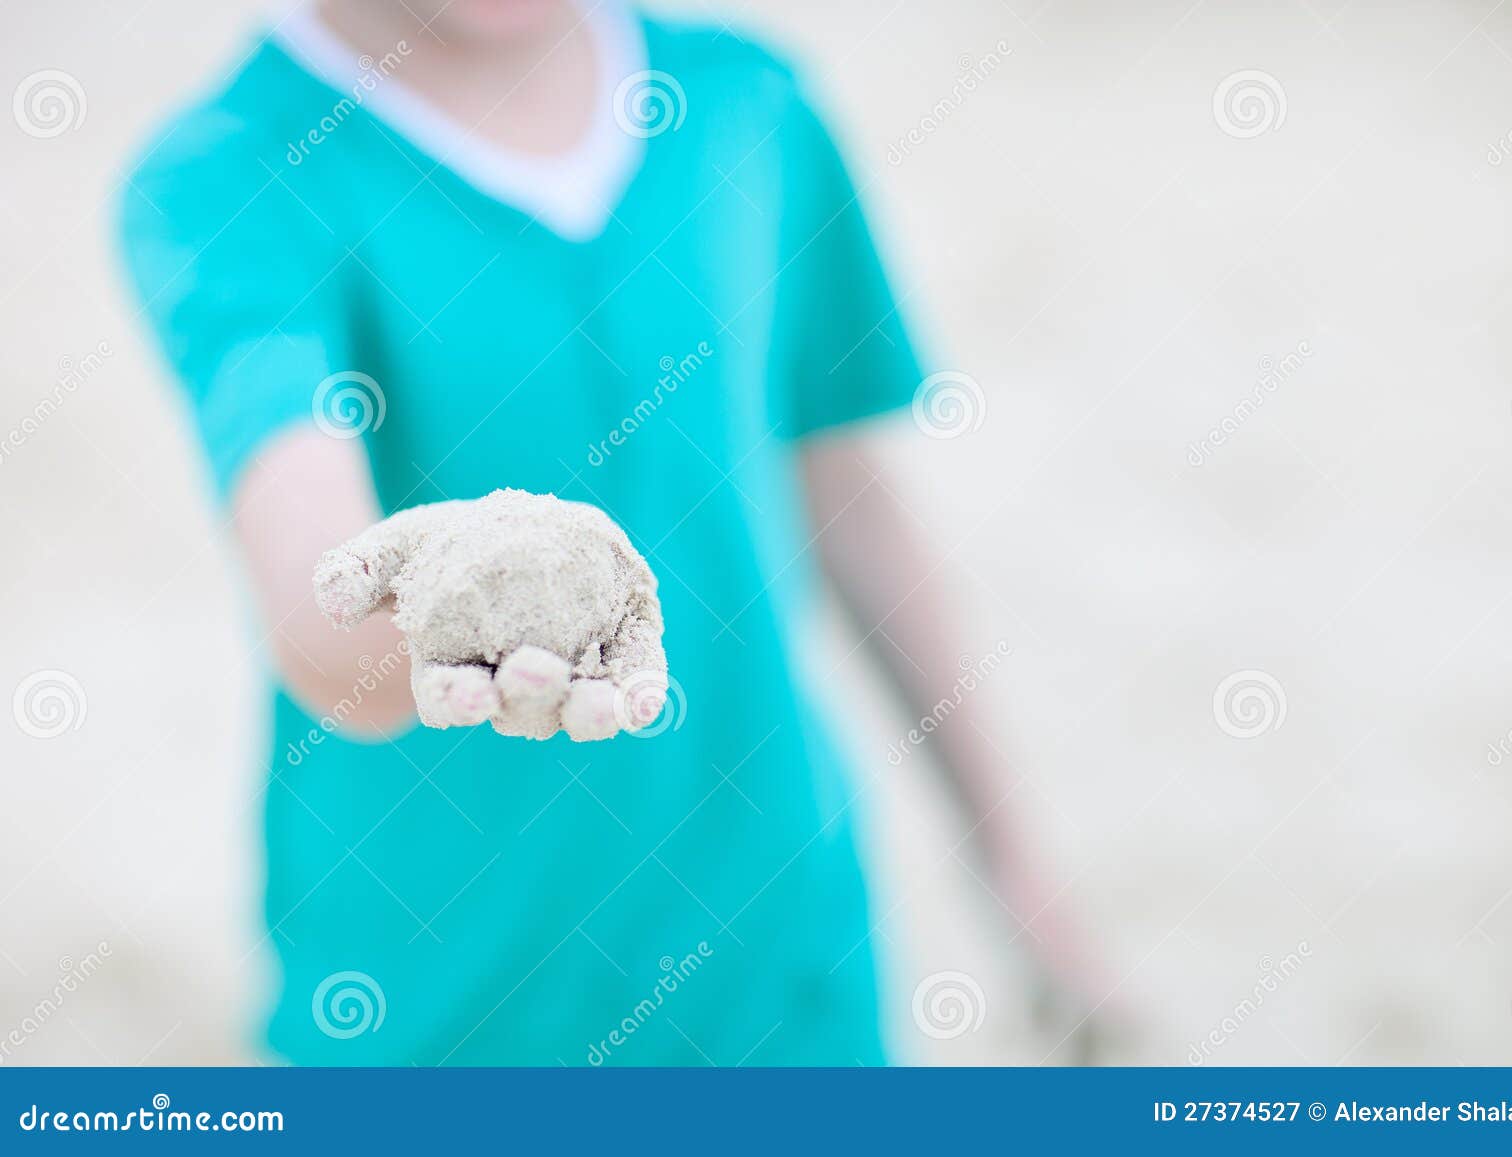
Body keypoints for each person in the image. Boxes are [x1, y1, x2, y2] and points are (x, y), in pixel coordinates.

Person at [120, 0, 1073, 1064]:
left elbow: (841, 489)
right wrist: (436, 617)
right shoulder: (236, 174)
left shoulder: (742, 101)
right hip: (436, 1008)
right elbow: (316, 599)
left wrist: (1020, 877)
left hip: (784, 968)